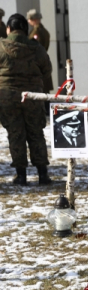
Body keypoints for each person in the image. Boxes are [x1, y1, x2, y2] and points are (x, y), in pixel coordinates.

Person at [0, 13, 52, 185]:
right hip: (33, 96)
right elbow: (46, 70)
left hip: (7, 97)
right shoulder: (36, 48)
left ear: (9, 29)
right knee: (36, 133)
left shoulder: (0, 46)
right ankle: (42, 174)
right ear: (25, 28)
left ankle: (21, 175)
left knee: (15, 134)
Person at [27, 9, 52, 93]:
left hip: (37, 64)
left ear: (34, 19)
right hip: (43, 62)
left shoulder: (36, 32)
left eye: (29, 19)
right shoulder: (44, 31)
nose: (28, 21)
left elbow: (34, 47)